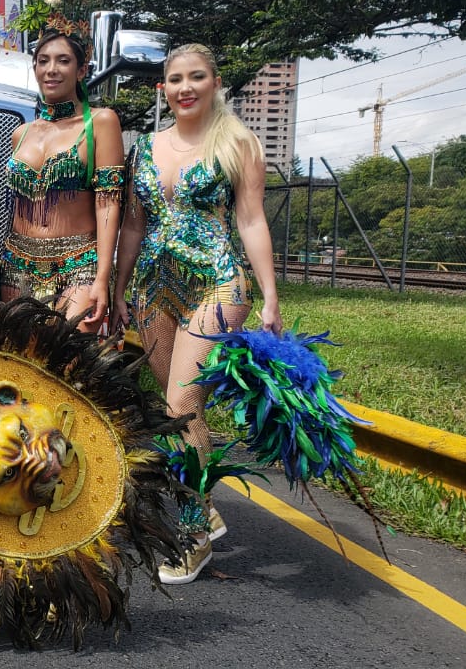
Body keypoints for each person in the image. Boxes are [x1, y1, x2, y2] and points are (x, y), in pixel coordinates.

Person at [112, 43, 282, 584]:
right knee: (175, 415)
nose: (185, 87)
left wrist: (270, 294)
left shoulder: (237, 144)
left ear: (215, 82)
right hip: (153, 289)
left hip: (216, 282)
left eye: (196, 77)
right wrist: (118, 289)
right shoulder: (145, 149)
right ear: (163, 87)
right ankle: (203, 506)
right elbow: (134, 227)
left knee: (183, 401)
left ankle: (192, 535)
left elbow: (252, 221)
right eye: (175, 79)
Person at [0, 24, 124, 334]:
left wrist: (102, 277)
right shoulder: (21, 133)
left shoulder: (101, 122)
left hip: (78, 264)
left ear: (81, 70)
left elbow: (107, 203)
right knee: (21, 366)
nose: (51, 70)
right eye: (43, 61)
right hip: (17, 265)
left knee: (69, 362)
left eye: (63, 61)